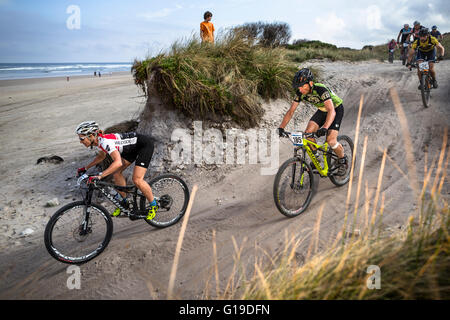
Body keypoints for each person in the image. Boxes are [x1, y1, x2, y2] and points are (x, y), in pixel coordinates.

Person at [75, 121, 158, 220]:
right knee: (116, 173)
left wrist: (100, 176)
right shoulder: (100, 141)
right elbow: (102, 156)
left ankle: (154, 205)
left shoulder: (105, 142)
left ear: (91, 135)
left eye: (82, 138)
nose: (80, 141)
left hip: (143, 145)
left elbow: (117, 162)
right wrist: (86, 168)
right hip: (131, 149)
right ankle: (125, 202)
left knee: (137, 179)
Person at [278, 68, 348, 175]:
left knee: (331, 140)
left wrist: (325, 127)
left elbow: (331, 110)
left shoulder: (320, 89)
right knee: (308, 133)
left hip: (335, 109)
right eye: (298, 87)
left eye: (302, 86)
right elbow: (291, 111)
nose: (300, 89)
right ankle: (316, 158)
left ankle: (343, 160)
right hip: (322, 110)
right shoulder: (300, 93)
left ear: (310, 83)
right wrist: (281, 128)